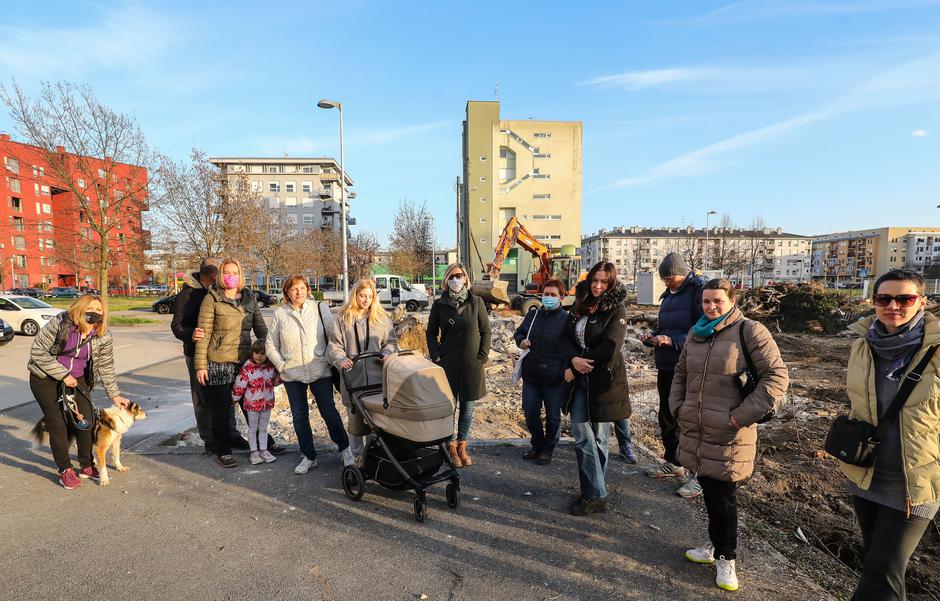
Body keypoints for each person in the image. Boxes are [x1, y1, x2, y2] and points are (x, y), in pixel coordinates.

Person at [669, 278, 788, 592]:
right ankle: (714, 545)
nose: (710, 307)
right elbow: (680, 373)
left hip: (729, 432)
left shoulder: (750, 331)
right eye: (706, 301)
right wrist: (677, 405)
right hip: (697, 427)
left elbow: (776, 377)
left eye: (717, 301)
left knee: (723, 496)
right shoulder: (697, 333)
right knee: (710, 490)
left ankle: (726, 558)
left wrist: (739, 416)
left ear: (732, 301)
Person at [839, 269, 939, 601]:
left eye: (904, 298)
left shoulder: (935, 351)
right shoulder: (862, 346)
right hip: (866, 474)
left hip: (914, 480)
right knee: (878, 568)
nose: (892, 306)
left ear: (921, 302)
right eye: (884, 298)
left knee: (882, 572)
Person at [27, 294, 130, 489]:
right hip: (45, 378)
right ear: (79, 308)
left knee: (87, 421)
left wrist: (115, 395)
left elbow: (106, 367)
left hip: (77, 379)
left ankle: (86, 464)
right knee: (57, 423)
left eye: (99, 310)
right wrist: (63, 375)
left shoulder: (102, 336)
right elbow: (38, 352)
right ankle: (65, 470)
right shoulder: (61, 324)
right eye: (90, 308)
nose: (94, 313)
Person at [267, 275, 354, 474]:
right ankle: (308, 455)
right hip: (293, 373)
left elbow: (334, 337)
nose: (298, 292)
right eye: (293, 289)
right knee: (299, 416)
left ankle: (345, 449)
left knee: (329, 412)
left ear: (308, 289)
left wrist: (326, 359)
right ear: (287, 292)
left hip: (320, 370)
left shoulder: (319, 308)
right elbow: (270, 344)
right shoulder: (280, 314)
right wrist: (282, 365)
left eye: (302, 288)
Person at [562, 261, 631, 515]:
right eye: (595, 281)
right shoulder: (581, 303)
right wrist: (572, 360)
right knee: (582, 434)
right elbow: (565, 338)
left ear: (611, 283)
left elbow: (611, 346)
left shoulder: (616, 308)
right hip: (580, 379)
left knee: (601, 438)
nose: (599, 286)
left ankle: (592, 491)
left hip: (604, 382)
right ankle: (596, 492)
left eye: (604, 282)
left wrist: (581, 362)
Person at [641, 251, 706, 499]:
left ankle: (700, 475)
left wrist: (674, 340)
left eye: (670, 278)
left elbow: (701, 327)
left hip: (689, 365)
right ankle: (673, 462)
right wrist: (653, 338)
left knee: (692, 419)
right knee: (667, 415)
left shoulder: (697, 292)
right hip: (667, 365)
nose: (666, 283)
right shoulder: (668, 297)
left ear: (682, 274)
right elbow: (663, 328)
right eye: (664, 279)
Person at [195, 258, 269, 468]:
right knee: (220, 410)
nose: (231, 276)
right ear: (219, 275)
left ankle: (264, 444)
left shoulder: (249, 298)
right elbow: (203, 334)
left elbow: (261, 330)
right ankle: (223, 451)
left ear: (241, 275)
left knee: (251, 405)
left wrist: (269, 356)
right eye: (226, 272)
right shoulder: (212, 299)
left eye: (235, 272)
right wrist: (201, 365)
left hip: (245, 361)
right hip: (219, 361)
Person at [172, 258, 245, 454]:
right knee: (202, 398)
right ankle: (210, 439)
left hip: (220, 353)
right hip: (195, 352)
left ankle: (231, 434)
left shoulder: (219, 293)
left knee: (226, 397)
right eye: (222, 274)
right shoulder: (187, 295)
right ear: (214, 275)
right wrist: (190, 333)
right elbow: (176, 325)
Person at [426, 263, 491, 468]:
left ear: (466, 278)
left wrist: (482, 356)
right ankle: (450, 446)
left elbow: (486, 331)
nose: (456, 279)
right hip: (448, 363)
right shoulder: (439, 304)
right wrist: (436, 356)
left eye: (460, 275)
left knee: (467, 408)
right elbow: (430, 332)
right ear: (446, 279)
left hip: (471, 363)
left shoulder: (477, 302)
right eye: (452, 276)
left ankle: (462, 446)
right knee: (449, 407)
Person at [329, 278, 398, 460]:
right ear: (355, 296)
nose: (365, 300)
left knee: (376, 420)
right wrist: (341, 359)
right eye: (362, 296)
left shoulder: (381, 318)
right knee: (355, 422)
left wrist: (386, 352)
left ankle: (374, 456)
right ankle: (356, 456)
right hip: (354, 379)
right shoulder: (342, 318)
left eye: (369, 296)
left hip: (377, 379)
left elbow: (391, 342)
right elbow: (334, 346)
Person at [513, 278, 573, 465]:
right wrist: (520, 340)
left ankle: (548, 448)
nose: (548, 298)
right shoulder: (533, 316)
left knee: (553, 417)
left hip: (554, 378)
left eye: (553, 295)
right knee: (530, 411)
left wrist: (564, 371)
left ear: (561, 298)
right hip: (531, 375)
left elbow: (572, 349)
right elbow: (519, 333)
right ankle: (537, 444)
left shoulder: (567, 320)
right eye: (546, 294)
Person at [231, 339, 281, 465]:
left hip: (266, 403)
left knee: (263, 428)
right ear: (252, 353)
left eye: (263, 353)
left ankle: (263, 450)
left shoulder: (270, 368)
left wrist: (281, 377)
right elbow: (240, 385)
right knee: (253, 428)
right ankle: (254, 452)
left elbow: (275, 382)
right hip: (252, 404)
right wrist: (234, 399)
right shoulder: (248, 368)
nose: (259, 356)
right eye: (256, 352)